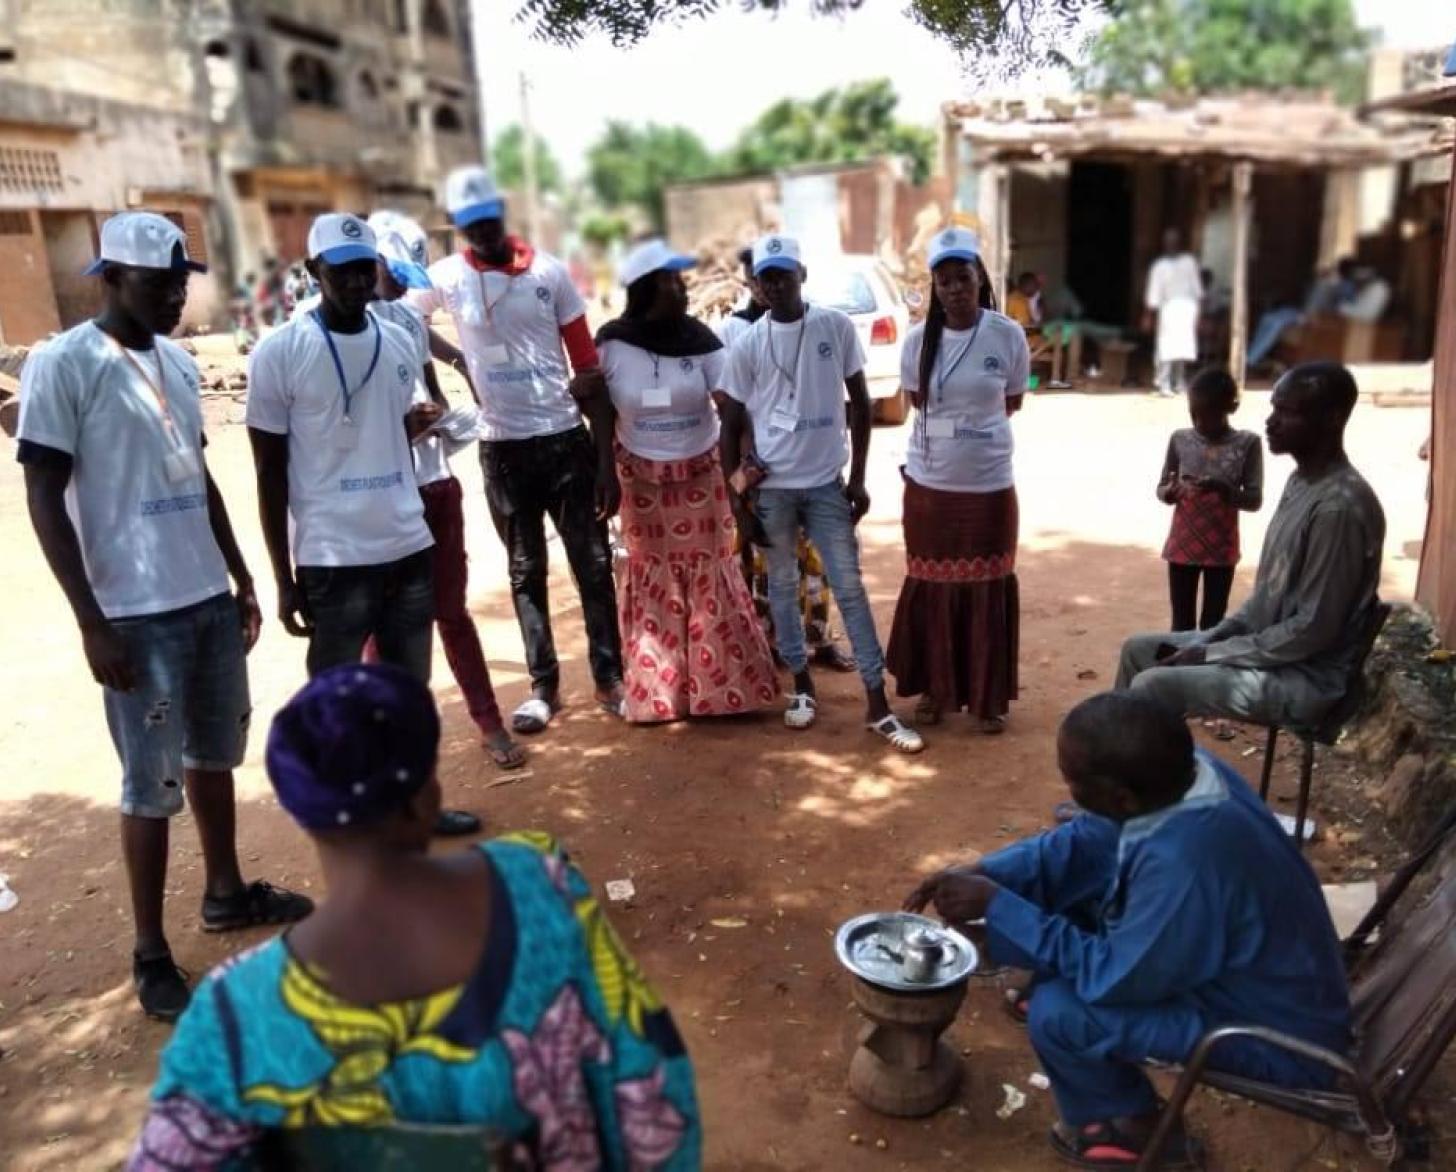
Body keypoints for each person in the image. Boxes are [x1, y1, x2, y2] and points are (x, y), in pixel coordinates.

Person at [126, 663, 702, 1171]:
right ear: (427, 794)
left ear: (303, 813)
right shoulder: (537, 883)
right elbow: (649, 1091)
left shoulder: (233, 1015)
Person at [17, 211, 311, 1021]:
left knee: (216, 755)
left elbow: (200, 476)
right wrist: (89, 619)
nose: (177, 294)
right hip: (133, 616)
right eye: (159, 283)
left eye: (183, 280)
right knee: (151, 784)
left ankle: (225, 891)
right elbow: (43, 491)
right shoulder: (64, 364)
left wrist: (243, 576)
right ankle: (149, 948)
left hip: (206, 600)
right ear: (110, 278)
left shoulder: (180, 363)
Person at [904, 691, 1351, 1169]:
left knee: (1058, 1014)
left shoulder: (1187, 862)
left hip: (1276, 1036)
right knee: (1057, 899)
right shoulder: (1183, 773)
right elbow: (1082, 844)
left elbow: (1113, 979)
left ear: (1121, 797)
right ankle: (1040, 966)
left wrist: (1001, 909)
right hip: (1245, 975)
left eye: (1072, 781)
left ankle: (1133, 1129)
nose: (1066, 789)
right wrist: (991, 874)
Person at [246, 213, 481, 837]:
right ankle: (347, 830)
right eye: (340, 270)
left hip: (406, 545)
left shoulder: (400, 339)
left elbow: (385, 430)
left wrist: (405, 431)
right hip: (331, 558)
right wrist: (284, 576)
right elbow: (268, 472)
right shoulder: (279, 352)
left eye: (363, 268)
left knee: (411, 695)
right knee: (337, 701)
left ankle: (418, 808)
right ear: (313, 273)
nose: (355, 281)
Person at [409, 165, 625, 733]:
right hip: (502, 449)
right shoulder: (447, 277)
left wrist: (605, 459)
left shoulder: (550, 275)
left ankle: (610, 677)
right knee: (526, 570)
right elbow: (402, 317)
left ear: (502, 215)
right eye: (468, 224)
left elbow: (588, 365)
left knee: (593, 564)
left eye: (487, 220)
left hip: (561, 441)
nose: (480, 232)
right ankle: (543, 688)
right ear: (456, 226)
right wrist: (455, 358)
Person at [719, 233, 924, 753]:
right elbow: (730, 425)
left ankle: (878, 703)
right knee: (783, 589)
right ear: (758, 286)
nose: (778, 284)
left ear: (802, 276)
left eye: (785, 274)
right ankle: (802, 689)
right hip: (774, 492)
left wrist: (857, 478)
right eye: (768, 278)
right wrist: (738, 504)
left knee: (850, 588)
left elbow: (860, 403)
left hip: (826, 485)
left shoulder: (833, 326)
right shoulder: (747, 345)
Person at [1119, 361, 1385, 729]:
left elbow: (1313, 630)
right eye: (1273, 408)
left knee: (1153, 684)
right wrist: (1212, 640)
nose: (1271, 421)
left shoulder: (1337, 509)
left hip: (1305, 677)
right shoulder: (1301, 482)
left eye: (1286, 411)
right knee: (1138, 650)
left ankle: (1142, 782)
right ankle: (1119, 767)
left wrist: (1212, 652)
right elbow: (1265, 600)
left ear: (1331, 418)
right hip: (1272, 651)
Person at [590, 238, 778, 723]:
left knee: (712, 567)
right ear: (646, 289)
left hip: (701, 471)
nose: (682, 290)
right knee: (654, 574)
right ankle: (661, 694)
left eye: (681, 280)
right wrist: (605, 472)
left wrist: (744, 470)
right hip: (639, 477)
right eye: (671, 282)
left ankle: (723, 690)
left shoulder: (703, 342)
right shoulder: (612, 343)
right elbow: (603, 412)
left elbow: (730, 407)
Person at [366, 211, 525, 770]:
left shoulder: (405, 320)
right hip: (383, 498)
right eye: (395, 272)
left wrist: (444, 414)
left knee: (450, 611)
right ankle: (387, 742)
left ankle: (488, 721)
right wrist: (396, 429)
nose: (406, 284)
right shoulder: (328, 329)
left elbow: (426, 383)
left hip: (434, 484)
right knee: (382, 630)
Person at [886, 227, 1028, 733]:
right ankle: (933, 691)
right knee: (933, 587)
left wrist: (969, 434)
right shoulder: (915, 343)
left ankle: (988, 699)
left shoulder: (1008, 335)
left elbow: (1011, 403)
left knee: (988, 586)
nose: (954, 289)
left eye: (962, 278)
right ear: (934, 287)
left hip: (989, 487)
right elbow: (920, 407)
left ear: (978, 278)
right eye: (943, 281)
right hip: (931, 489)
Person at [720, 245, 856, 673]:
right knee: (768, 566)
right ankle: (772, 644)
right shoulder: (737, 331)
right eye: (758, 277)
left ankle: (819, 639)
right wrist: (742, 475)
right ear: (749, 282)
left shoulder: (821, 326)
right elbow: (731, 408)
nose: (768, 286)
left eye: (780, 276)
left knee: (815, 562)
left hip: (812, 464)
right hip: (761, 465)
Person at [1156, 367, 1263, 635]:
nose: (1200, 422)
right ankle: (1180, 675)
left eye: (1210, 415)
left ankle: (1202, 673)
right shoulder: (1180, 440)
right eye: (1194, 414)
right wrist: (1170, 492)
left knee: (1212, 626)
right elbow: (1161, 488)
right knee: (1181, 625)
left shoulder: (1247, 444)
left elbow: (1253, 500)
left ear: (1232, 408)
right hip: (1181, 548)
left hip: (1221, 551)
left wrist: (1224, 489)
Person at [1246, 258, 1358, 368]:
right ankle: (1251, 354)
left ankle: (1252, 359)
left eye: (1341, 267)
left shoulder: (1347, 285)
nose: (1338, 269)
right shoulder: (1331, 281)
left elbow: (1342, 307)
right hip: (1304, 311)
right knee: (1268, 317)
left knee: (1277, 322)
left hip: (1315, 317)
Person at [1144, 229, 1202, 396]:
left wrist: (1199, 314)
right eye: (1169, 241)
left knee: (1182, 347)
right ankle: (1164, 383)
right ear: (1165, 244)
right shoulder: (1160, 266)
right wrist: (1148, 315)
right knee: (1167, 347)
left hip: (1187, 309)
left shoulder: (1189, 262)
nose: (1172, 244)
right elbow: (1154, 294)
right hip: (1168, 309)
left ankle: (1179, 382)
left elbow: (1197, 290)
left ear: (1179, 243)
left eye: (1174, 241)